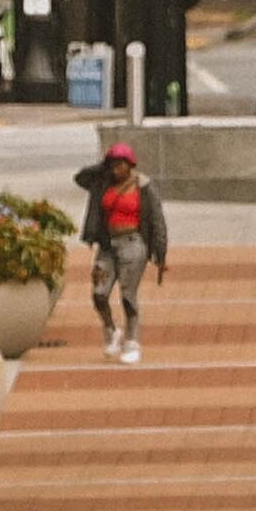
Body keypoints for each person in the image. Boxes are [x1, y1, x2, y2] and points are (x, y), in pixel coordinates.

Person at [76, 135, 163, 363]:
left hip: (133, 244)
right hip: (107, 245)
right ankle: (111, 330)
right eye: (113, 164)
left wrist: (160, 254)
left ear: (130, 164)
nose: (116, 169)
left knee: (127, 294)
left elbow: (157, 220)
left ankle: (132, 340)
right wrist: (102, 165)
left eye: (120, 164)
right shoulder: (102, 183)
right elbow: (81, 177)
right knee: (99, 292)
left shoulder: (143, 187)